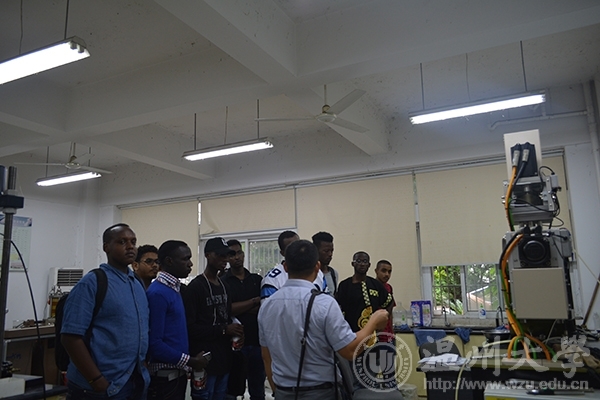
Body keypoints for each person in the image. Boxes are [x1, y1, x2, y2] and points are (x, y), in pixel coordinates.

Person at [258, 240, 389, 400]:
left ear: (285, 267)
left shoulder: (267, 306)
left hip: (283, 391)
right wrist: (373, 322)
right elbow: (349, 351)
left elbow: (266, 357)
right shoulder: (324, 304)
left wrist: (277, 392)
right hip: (321, 392)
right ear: (317, 267)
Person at [61, 223, 150, 399]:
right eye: (122, 242)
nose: (130, 247)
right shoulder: (92, 282)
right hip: (99, 387)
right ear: (106, 247)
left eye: (133, 242)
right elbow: (70, 337)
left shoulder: (137, 283)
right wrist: (96, 380)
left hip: (134, 381)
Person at [182, 237, 245, 400]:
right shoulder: (196, 287)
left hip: (224, 359)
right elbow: (190, 328)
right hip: (204, 361)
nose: (225, 260)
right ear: (208, 255)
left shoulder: (224, 286)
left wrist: (235, 330)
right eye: (220, 255)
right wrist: (224, 330)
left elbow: (226, 317)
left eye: (227, 256)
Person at [147, 240, 209, 400]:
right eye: (185, 259)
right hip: (165, 379)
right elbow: (154, 343)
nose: (190, 264)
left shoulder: (174, 289)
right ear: (169, 261)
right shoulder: (158, 293)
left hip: (176, 375)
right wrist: (191, 361)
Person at [336, 251, 394, 389]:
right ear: (353, 263)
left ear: (369, 265)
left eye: (365, 261)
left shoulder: (375, 284)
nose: (362, 264)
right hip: (352, 339)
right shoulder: (345, 285)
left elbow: (389, 301)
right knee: (353, 379)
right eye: (359, 261)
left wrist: (384, 320)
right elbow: (337, 308)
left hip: (372, 341)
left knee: (370, 378)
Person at [222, 239, 264, 400]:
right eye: (232, 254)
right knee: (232, 390)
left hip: (257, 342)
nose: (237, 257)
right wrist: (253, 301)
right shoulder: (223, 282)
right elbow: (227, 309)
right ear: (227, 258)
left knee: (258, 390)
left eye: (239, 252)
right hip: (234, 345)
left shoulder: (256, 280)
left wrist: (240, 306)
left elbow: (264, 306)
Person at [260, 231, 325, 302]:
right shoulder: (272, 279)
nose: (297, 250)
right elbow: (269, 307)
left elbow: (326, 301)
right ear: (282, 253)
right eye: (291, 248)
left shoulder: (318, 273)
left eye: (298, 245)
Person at [312, 231, 339, 296]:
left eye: (331, 251)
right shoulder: (309, 274)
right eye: (326, 251)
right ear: (315, 251)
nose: (330, 254)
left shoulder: (333, 273)